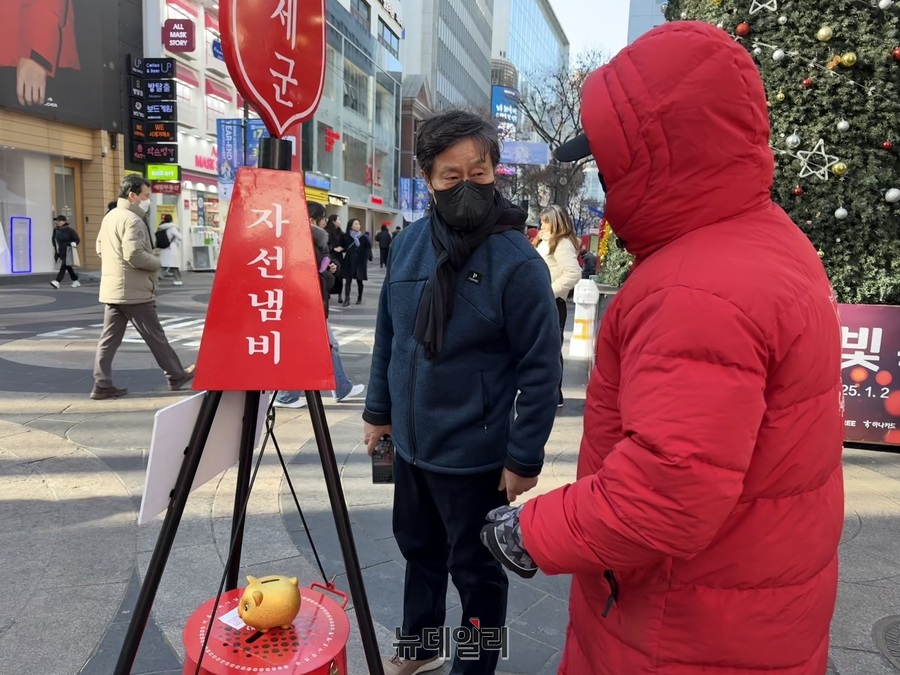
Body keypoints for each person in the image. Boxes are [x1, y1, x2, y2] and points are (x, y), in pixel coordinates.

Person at [479, 22, 844, 675]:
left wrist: (531, 529)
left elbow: (667, 490)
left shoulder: (695, 287)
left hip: (678, 629)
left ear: (657, 152)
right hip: (749, 607)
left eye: (612, 159)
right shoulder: (770, 241)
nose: (607, 180)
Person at [362, 110, 561, 675]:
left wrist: (524, 457)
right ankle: (421, 644)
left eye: (479, 172)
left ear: (495, 170)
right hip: (411, 448)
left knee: (476, 570)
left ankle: (474, 667)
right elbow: (389, 339)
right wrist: (379, 413)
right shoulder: (407, 246)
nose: (468, 186)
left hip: (475, 457)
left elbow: (541, 369)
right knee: (417, 552)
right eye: (452, 176)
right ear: (428, 180)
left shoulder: (516, 262)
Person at [91, 175, 195, 400]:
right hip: (133, 291)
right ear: (133, 196)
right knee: (155, 336)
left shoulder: (110, 217)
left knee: (108, 339)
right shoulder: (133, 220)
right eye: (146, 195)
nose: (148, 200)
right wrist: (157, 263)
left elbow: (100, 248)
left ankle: (102, 383)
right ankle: (176, 374)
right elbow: (134, 255)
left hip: (113, 289)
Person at [274, 202, 365, 409]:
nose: (327, 222)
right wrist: (326, 272)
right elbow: (305, 274)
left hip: (310, 302)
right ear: (313, 219)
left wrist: (332, 267)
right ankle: (288, 395)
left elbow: (325, 266)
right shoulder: (305, 239)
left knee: (327, 346)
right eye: (324, 218)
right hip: (305, 303)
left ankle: (340, 388)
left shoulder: (315, 239)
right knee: (319, 346)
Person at [533, 205, 581, 408]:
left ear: (556, 222)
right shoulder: (545, 241)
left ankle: (553, 394)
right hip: (541, 302)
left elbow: (573, 273)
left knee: (549, 349)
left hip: (552, 303)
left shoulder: (561, 244)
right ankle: (544, 392)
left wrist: (548, 292)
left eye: (545, 221)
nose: (541, 225)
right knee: (541, 348)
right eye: (541, 220)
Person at [339, 219, 372, 306]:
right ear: (351, 226)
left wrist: (368, 256)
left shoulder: (363, 237)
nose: (358, 225)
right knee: (348, 280)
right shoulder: (346, 237)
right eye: (356, 224)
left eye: (359, 224)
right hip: (349, 261)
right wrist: (340, 249)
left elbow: (368, 248)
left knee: (359, 281)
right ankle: (347, 299)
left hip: (360, 262)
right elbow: (344, 247)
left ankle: (359, 297)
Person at [50, 214, 80, 288]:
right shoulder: (56, 230)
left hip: (68, 250)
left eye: (59, 221)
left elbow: (76, 239)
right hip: (60, 250)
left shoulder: (69, 230)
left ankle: (57, 281)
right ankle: (75, 280)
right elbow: (53, 239)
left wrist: (73, 243)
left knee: (63, 266)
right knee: (68, 267)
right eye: (57, 221)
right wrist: (56, 249)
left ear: (64, 221)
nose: (57, 222)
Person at [156, 214, 183, 286]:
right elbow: (180, 238)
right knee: (174, 265)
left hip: (164, 248)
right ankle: (178, 279)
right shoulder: (172, 228)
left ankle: (156, 279)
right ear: (171, 220)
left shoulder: (161, 228)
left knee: (164, 265)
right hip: (171, 248)